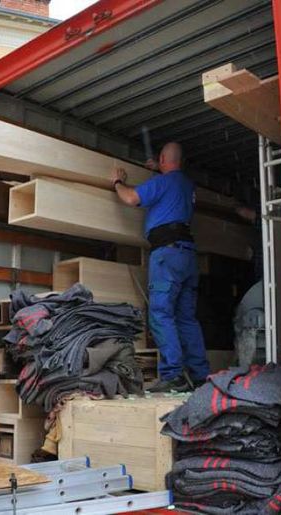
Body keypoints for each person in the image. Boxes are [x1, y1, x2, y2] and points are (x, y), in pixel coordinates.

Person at [111, 142, 210, 393]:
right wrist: (159, 168)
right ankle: (200, 375)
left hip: (166, 255)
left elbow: (132, 198)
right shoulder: (186, 185)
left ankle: (173, 374)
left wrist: (117, 183)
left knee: (161, 313)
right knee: (186, 318)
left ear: (164, 159)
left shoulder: (164, 182)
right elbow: (171, 185)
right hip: (187, 255)